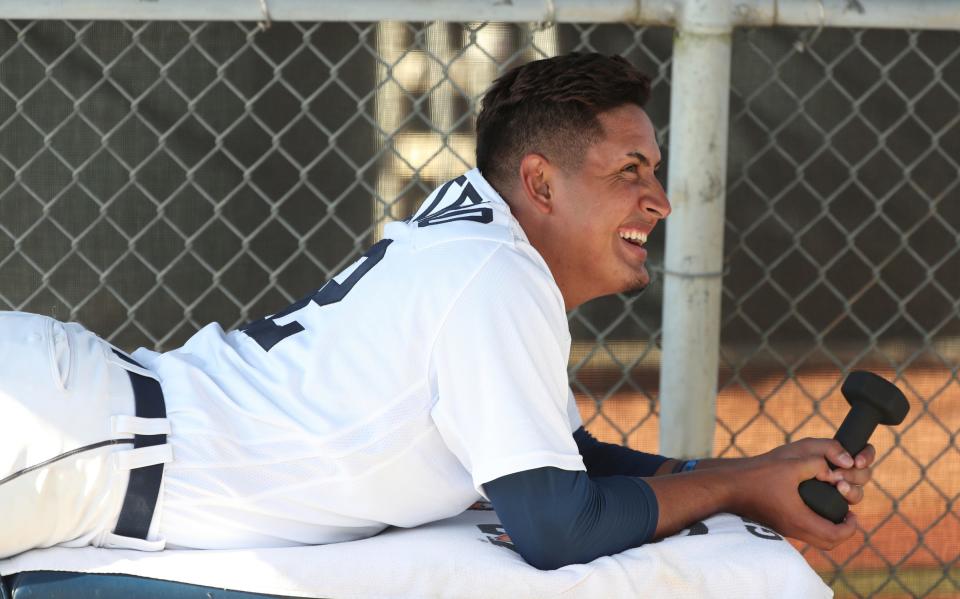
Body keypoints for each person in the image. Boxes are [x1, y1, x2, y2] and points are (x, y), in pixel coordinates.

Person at [0, 52, 874, 569]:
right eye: (629, 172)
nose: (660, 201)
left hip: (86, 427)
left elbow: (562, 458)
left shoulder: (479, 238)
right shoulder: (496, 272)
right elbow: (552, 522)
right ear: (539, 181)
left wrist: (751, 467)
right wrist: (735, 482)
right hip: (68, 443)